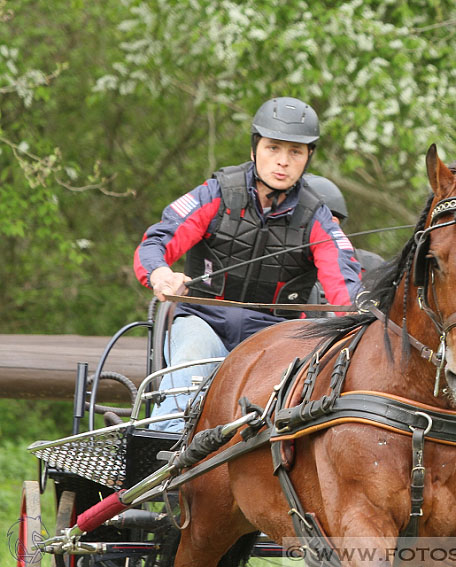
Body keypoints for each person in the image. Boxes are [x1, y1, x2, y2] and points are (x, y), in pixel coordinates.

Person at [134, 96, 363, 432]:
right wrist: (160, 274)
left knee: (278, 415)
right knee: (186, 389)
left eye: (295, 152)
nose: (283, 162)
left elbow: (345, 287)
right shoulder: (215, 194)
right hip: (203, 321)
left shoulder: (318, 218)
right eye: (273, 148)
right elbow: (156, 243)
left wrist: (362, 312)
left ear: (308, 157)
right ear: (255, 148)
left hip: (274, 337)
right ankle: (158, 472)